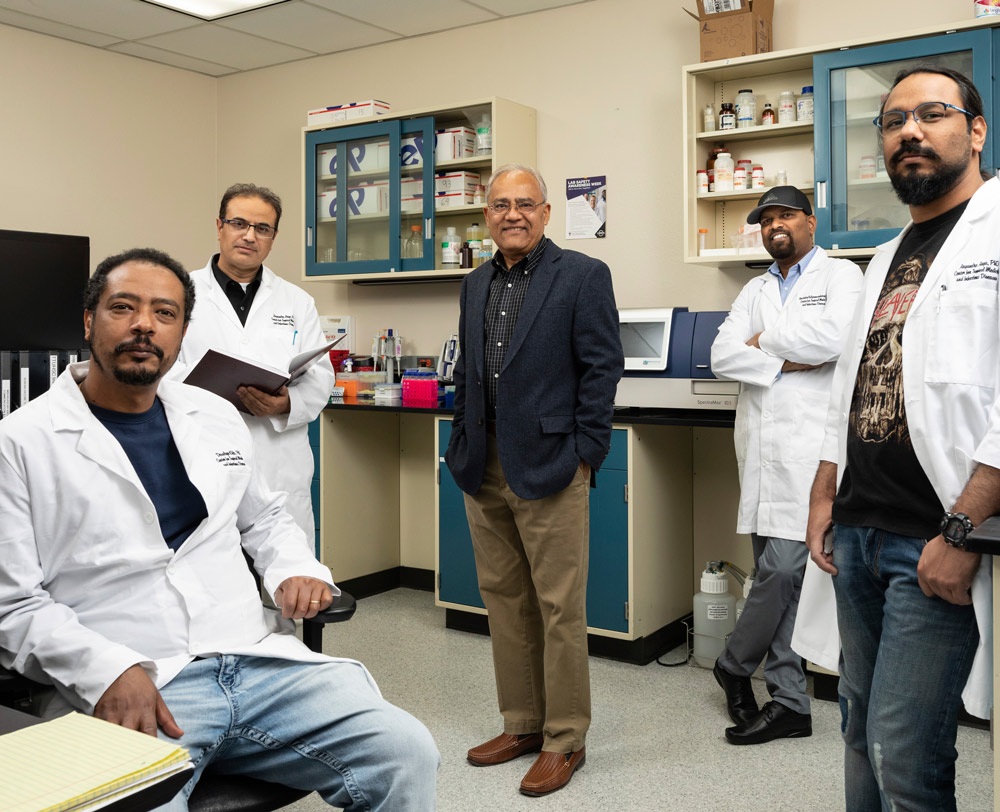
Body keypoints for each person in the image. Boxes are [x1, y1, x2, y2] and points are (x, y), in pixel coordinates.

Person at [0, 248, 438, 810]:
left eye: (164, 313)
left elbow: (267, 518)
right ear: (89, 322)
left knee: (406, 751)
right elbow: (12, 604)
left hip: (257, 663)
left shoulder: (211, 414)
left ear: (181, 333)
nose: (144, 325)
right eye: (123, 308)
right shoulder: (23, 441)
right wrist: (108, 668)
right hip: (135, 679)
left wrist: (296, 569)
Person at [806, 66, 999, 811]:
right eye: (893, 122)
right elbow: (849, 386)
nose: (910, 131)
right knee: (857, 730)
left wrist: (963, 528)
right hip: (857, 531)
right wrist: (824, 494)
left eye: (933, 114)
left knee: (903, 751)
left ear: (975, 131)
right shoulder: (887, 255)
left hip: (935, 537)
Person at [445, 164, 623, 797]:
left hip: (551, 462)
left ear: (546, 213)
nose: (512, 214)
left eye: (525, 203)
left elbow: (602, 368)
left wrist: (586, 453)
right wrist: (460, 441)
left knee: (558, 609)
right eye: (499, 205)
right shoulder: (474, 283)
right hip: (482, 462)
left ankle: (565, 738)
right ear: (486, 215)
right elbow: (470, 370)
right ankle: (522, 723)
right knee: (504, 601)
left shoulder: (580, 276)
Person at [710, 187, 863, 745]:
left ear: (810, 220)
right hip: (760, 450)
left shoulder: (841, 277)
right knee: (782, 585)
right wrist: (784, 361)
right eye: (766, 219)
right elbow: (722, 355)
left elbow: (836, 340)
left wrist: (763, 343)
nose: (775, 226)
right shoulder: (754, 287)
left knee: (784, 569)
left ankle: (733, 660)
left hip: (812, 451)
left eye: (785, 216)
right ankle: (791, 703)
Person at [178, 183, 334, 547]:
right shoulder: (180, 292)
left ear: (273, 237)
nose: (250, 236)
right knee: (212, 580)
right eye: (239, 224)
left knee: (287, 584)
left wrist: (285, 405)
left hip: (279, 461)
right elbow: (162, 369)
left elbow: (320, 377)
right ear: (219, 227)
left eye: (262, 228)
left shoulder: (297, 302)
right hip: (204, 452)